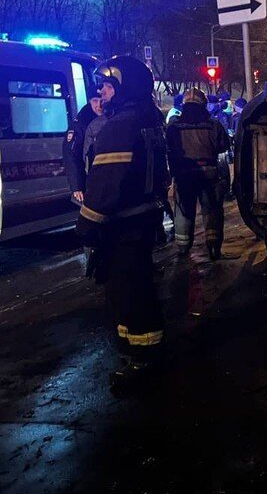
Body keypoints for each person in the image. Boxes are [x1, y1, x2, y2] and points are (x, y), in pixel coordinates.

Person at [75, 56, 170, 393]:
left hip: (122, 228)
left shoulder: (120, 126)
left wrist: (86, 225)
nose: (102, 90)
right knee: (139, 287)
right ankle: (145, 352)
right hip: (143, 221)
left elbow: (104, 186)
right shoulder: (150, 122)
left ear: (124, 87)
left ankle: (141, 360)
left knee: (127, 293)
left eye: (107, 85)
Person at [167, 88, 230, 260]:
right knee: (212, 210)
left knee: (183, 211)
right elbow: (224, 146)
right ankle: (213, 249)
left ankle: (183, 248)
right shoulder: (214, 125)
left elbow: (169, 149)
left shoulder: (174, 127)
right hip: (209, 173)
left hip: (183, 174)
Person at [63, 96, 103, 203]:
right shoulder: (80, 123)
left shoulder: (107, 117)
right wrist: (77, 187)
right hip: (87, 181)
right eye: (95, 101)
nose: (99, 105)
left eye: (101, 100)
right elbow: (71, 155)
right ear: (89, 101)